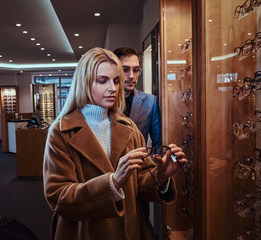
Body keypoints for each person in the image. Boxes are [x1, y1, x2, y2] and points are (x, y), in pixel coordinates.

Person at [43, 47, 186, 240]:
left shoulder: (129, 127)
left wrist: (161, 176)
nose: (113, 88)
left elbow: (141, 181)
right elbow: (58, 196)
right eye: (102, 81)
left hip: (128, 229)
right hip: (83, 232)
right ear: (84, 82)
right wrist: (112, 182)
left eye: (116, 81)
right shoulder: (61, 132)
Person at [114, 47, 162, 236]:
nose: (132, 75)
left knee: (140, 228)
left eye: (136, 70)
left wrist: (154, 174)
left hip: (139, 178)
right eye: (125, 69)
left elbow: (158, 143)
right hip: (111, 176)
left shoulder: (150, 102)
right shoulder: (104, 100)